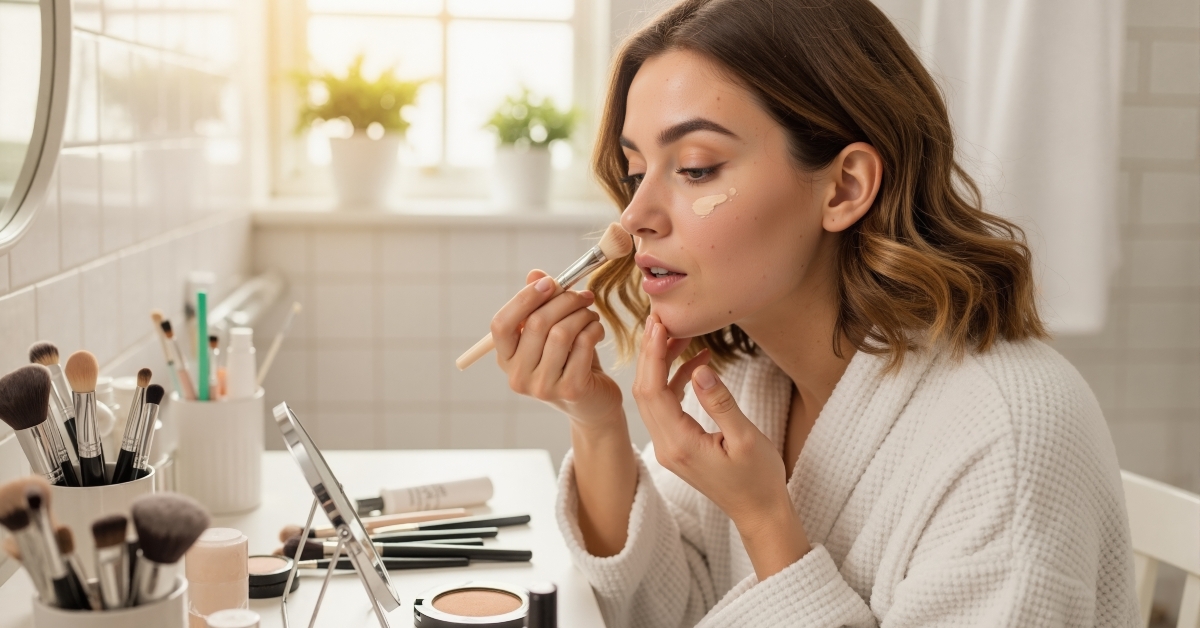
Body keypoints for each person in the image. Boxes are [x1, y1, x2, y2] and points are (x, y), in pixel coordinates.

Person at [488, 1, 1138, 626]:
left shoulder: (1008, 434)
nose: (633, 219)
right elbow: (662, 612)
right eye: (635, 172)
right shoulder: (748, 376)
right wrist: (596, 422)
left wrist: (766, 519)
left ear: (846, 187)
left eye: (694, 168)